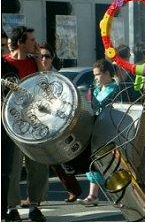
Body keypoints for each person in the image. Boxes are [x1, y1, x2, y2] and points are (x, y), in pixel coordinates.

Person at [4, 26, 49, 222]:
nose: (35, 43)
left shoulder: (34, 62)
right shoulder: (4, 63)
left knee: (38, 163)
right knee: (12, 166)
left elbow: (46, 85)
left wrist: (39, 60)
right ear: (20, 43)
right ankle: (11, 207)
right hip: (12, 121)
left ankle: (35, 205)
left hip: (35, 119)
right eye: (31, 40)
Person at [39, 42, 83, 203]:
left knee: (58, 158)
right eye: (41, 56)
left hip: (57, 120)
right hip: (39, 120)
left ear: (52, 59)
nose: (43, 59)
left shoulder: (59, 78)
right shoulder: (34, 76)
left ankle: (73, 189)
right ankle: (37, 197)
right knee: (45, 160)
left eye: (47, 56)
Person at [78, 59, 119, 206]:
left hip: (109, 128)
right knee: (95, 160)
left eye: (97, 74)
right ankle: (93, 195)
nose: (95, 77)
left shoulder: (115, 89)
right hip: (95, 126)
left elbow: (101, 105)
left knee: (111, 163)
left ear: (107, 73)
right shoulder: (97, 88)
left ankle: (102, 195)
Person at [1, 32, 19, 222]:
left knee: (4, 174)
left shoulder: (9, 69)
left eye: (3, 47)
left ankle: (2, 213)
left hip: (5, 128)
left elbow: (17, 99)